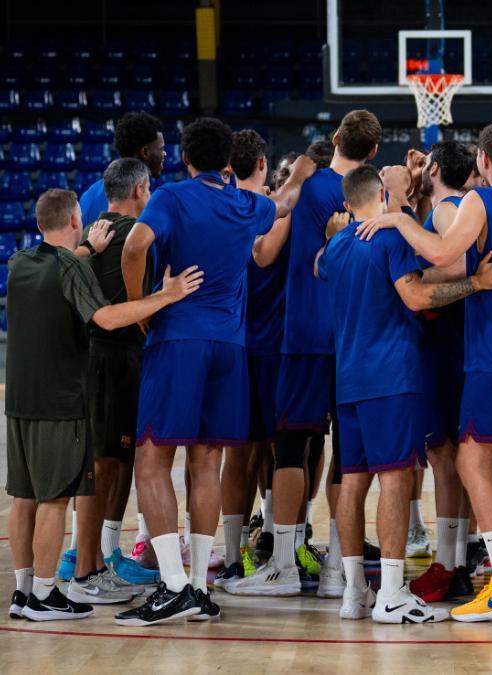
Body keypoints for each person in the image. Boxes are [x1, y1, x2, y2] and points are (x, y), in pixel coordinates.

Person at [356, 122, 492, 623]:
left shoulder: (478, 201)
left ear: (483, 161)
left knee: (471, 462)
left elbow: (444, 255)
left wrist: (397, 217)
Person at [114, 118, 315, 626]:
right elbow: (285, 203)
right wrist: (300, 173)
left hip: (179, 338)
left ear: (185, 159)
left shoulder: (171, 197)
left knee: (151, 460)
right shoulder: (246, 203)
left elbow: (134, 245)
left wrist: (143, 304)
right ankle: (200, 588)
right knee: (207, 462)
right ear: (228, 162)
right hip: (230, 346)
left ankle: (173, 585)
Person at [318, 165, 492, 622]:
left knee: (352, 481)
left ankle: (354, 592)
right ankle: (391, 594)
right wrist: (478, 282)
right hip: (391, 376)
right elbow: (416, 297)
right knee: (395, 479)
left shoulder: (335, 246)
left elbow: (320, 267)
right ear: (382, 198)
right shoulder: (390, 239)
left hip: (347, 378)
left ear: (347, 204)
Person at [6, 189, 202, 620]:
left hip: (19, 400)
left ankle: (22, 593)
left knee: (24, 497)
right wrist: (166, 296)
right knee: (55, 499)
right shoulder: (71, 266)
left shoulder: (19, 262)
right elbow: (107, 319)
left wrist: (87, 250)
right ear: (76, 220)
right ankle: (44, 595)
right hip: (60, 400)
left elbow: (59, 267)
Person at [232, 111, 382, 596]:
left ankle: (282, 565)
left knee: (292, 444)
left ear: (334, 138)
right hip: (356, 333)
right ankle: (339, 569)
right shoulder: (375, 196)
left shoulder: (306, 188)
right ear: (373, 152)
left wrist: (294, 177)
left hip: (305, 333)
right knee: (349, 451)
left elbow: (263, 247)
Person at [73, 159, 164, 594]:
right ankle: (86, 571)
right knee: (103, 467)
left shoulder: (92, 233)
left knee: (104, 464)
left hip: (94, 357)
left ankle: (92, 563)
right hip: (113, 357)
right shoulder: (135, 235)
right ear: (139, 190)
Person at [405, 141, 477, 604]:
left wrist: (409, 277)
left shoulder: (450, 209)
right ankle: (457, 560)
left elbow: (459, 263)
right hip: (450, 343)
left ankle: (449, 565)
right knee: (453, 458)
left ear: (434, 169)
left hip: (444, 344)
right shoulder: (444, 208)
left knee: (446, 458)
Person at [214, 129, 278, 590]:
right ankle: (275, 541)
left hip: (232, 340)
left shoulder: (217, 207)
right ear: (261, 162)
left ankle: (235, 553)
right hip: (273, 344)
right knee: (280, 448)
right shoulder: (273, 209)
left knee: (236, 451)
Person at [79, 112, 166, 225]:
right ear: (145, 152)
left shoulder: (89, 195)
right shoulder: (154, 201)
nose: (164, 154)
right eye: (161, 149)